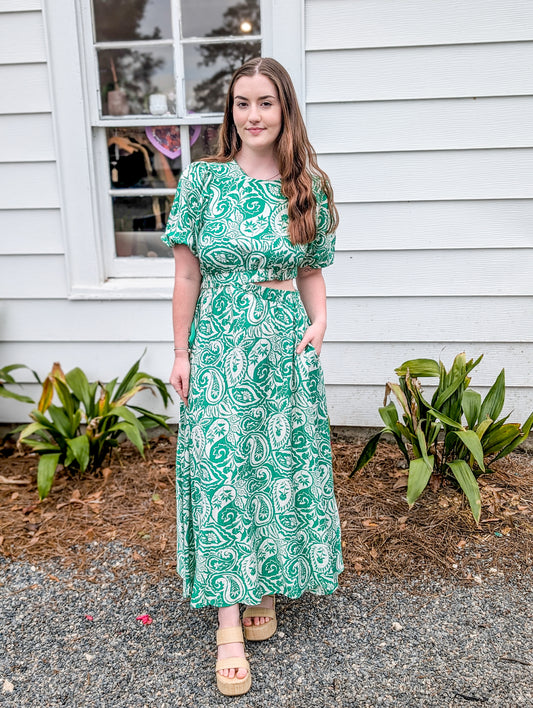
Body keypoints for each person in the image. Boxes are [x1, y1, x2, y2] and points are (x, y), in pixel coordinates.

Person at [161, 56, 344, 697]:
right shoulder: (205, 182)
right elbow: (187, 274)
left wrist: (319, 322)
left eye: (266, 102)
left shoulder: (307, 185)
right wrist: (181, 351)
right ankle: (229, 625)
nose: (254, 115)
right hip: (219, 341)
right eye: (243, 103)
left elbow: (313, 269)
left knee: (272, 465)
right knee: (222, 467)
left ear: (284, 109)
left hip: (284, 345)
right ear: (230, 113)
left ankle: (262, 578)